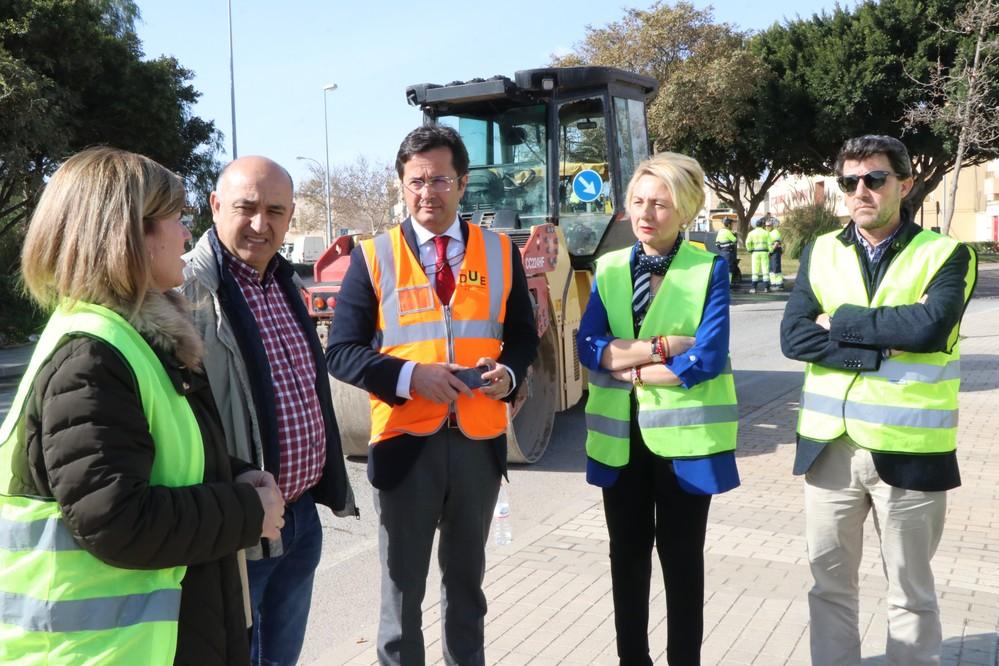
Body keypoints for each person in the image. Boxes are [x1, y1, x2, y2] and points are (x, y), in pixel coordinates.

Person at [0, 147, 285, 665]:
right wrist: (248, 511)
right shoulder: (92, 356)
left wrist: (237, 475)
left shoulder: (130, 338)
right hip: (108, 651)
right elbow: (116, 520)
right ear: (129, 235)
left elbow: (164, 460)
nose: (185, 232)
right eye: (175, 218)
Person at [326, 125, 539, 666]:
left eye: (440, 179)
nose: (428, 192)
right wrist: (409, 378)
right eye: (416, 180)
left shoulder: (499, 252)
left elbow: (523, 336)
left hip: (478, 445)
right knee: (402, 595)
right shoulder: (373, 258)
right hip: (404, 446)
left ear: (462, 183)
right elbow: (342, 352)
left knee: (467, 590)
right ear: (401, 184)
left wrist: (509, 376)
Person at [780, 135, 977, 666]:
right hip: (829, 451)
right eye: (849, 181)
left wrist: (838, 322)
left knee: (910, 594)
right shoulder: (821, 250)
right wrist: (881, 341)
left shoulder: (945, 254)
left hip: (910, 452)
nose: (860, 190)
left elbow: (930, 327)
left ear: (905, 184)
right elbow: (794, 339)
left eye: (874, 178)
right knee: (829, 589)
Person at [182, 156, 357, 666]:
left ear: (291, 214)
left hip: (300, 517)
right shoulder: (186, 294)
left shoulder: (284, 282)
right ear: (216, 206)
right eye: (246, 208)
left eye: (276, 211)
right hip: (240, 529)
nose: (262, 224)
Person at [577, 152, 740, 666]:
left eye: (661, 204)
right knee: (626, 561)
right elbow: (588, 348)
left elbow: (708, 356)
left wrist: (629, 362)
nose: (646, 214)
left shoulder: (708, 267)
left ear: (686, 209)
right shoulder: (607, 268)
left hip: (686, 446)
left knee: (682, 563)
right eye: (639, 201)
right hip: (619, 442)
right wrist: (666, 347)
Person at [745, 218, 771, 294]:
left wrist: (750, 249)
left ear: (756, 225)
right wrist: (771, 251)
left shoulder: (751, 233)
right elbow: (769, 244)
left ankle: (753, 288)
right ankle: (766, 288)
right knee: (765, 270)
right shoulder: (766, 233)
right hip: (764, 252)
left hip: (755, 253)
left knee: (755, 270)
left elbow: (747, 243)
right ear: (762, 225)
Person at [714, 217, 740, 288]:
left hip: (722, 252)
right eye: (731, 224)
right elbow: (735, 240)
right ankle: (728, 283)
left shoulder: (720, 231)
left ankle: (722, 283)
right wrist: (734, 234)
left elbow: (717, 243)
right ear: (728, 225)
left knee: (723, 267)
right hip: (729, 253)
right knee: (729, 268)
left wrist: (722, 248)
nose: (732, 226)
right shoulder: (728, 232)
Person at [765, 216, 784, 291]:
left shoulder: (775, 232)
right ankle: (773, 283)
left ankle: (779, 284)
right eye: (766, 225)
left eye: (769, 225)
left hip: (775, 252)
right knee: (771, 268)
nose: (767, 227)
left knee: (776, 267)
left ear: (772, 225)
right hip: (770, 252)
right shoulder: (767, 232)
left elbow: (776, 243)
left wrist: (771, 251)